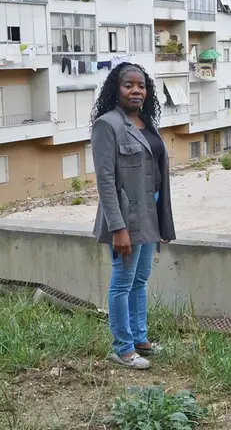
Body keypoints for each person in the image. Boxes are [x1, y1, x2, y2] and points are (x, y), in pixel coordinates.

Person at [90, 62, 176, 370]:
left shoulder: (145, 123)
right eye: (129, 85)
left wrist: (162, 219)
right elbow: (106, 181)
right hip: (126, 218)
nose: (136, 90)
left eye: (141, 85)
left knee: (141, 279)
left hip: (150, 214)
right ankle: (122, 347)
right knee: (122, 283)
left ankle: (141, 340)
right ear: (116, 89)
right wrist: (118, 228)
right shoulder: (107, 125)